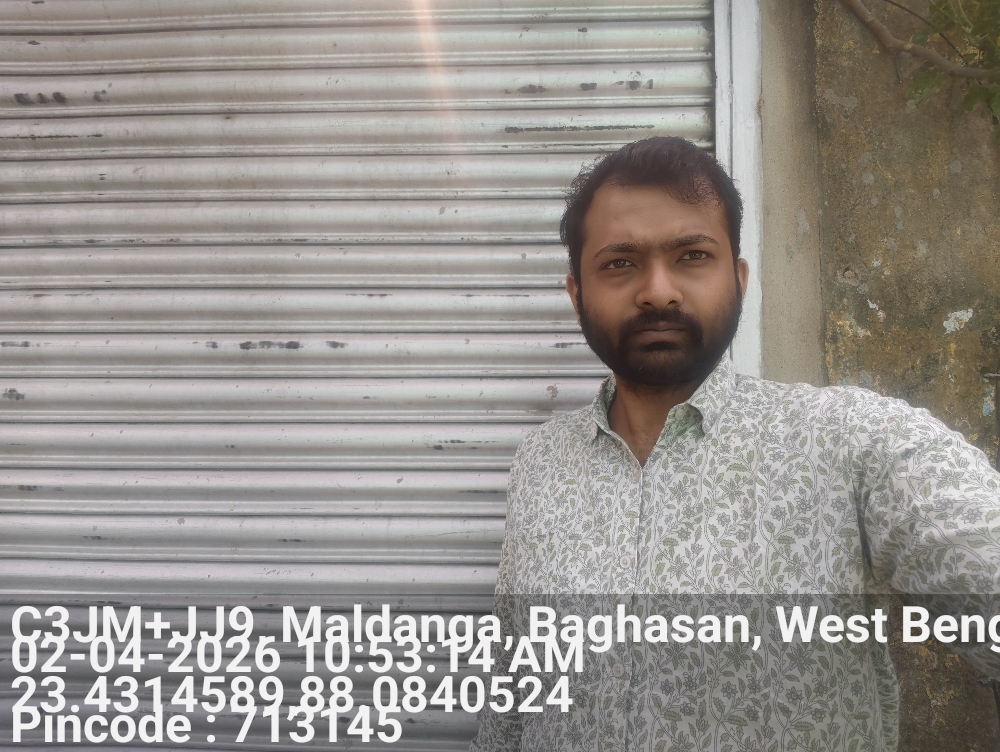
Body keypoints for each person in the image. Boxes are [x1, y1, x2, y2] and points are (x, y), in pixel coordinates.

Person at [469, 137, 1000, 751]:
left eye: (692, 255)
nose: (658, 291)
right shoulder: (541, 463)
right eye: (619, 263)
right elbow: (514, 683)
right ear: (575, 294)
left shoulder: (848, 442)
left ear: (739, 280)